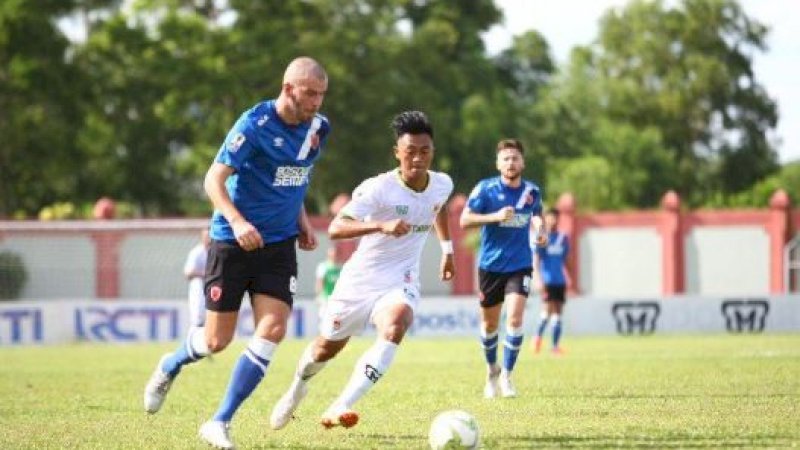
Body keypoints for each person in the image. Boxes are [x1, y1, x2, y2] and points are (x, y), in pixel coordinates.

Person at [142, 56, 330, 449]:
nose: (316, 102)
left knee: (274, 329)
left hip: (278, 246)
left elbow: (292, 180)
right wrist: (239, 221)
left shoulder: (318, 129)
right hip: (232, 242)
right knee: (216, 342)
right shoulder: (254, 124)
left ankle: (219, 421)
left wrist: (303, 223)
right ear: (288, 89)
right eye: (310, 93)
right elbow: (213, 179)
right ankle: (170, 364)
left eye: (321, 95)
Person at [269, 110, 454, 431]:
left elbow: (439, 208)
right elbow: (338, 227)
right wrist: (382, 225)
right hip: (360, 281)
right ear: (397, 153)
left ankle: (342, 403)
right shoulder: (378, 188)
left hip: (401, 278)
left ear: (432, 152)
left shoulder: (443, 184)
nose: (417, 159)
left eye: (425, 151)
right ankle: (296, 390)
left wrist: (447, 250)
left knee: (396, 325)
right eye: (410, 152)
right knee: (325, 349)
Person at [459, 139, 546, 399]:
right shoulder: (485, 190)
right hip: (490, 267)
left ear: (523, 162)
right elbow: (464, 220)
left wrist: (540, 229)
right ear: (498, 163)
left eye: (515, 158)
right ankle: (491, 371)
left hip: (520, 265)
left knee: (516, 318)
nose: (511, 162)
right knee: (489, 326)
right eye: (506, 158)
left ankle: (507, 376)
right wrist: (494, 217)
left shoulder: (532, 191)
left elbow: (537, 214)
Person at [532, 208, 571, 354]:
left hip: (559, 281)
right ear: (545, 219)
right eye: (550, 218)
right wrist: (538, 279)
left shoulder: (563, 238)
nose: (552, 220)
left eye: (555, 217)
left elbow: (566, 260)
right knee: (546, 312)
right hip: (547, 281)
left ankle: (554, 347)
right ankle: (537, 339)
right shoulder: (543, 238)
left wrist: (569, 277)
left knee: (558, 313)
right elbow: (536, 260)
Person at [184, 227, 211, 329]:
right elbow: (188, 272)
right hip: (199, 286)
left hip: (212, 286)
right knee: (198, 316)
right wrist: (206, 274)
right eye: (206, 236)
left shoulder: (215, 252)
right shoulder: (196, 252)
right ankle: (194, 336)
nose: (208, 238)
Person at [315, 247, 342, 320]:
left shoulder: (339, 268)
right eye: (332, 254)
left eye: (335, 254)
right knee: (324, 320)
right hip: (325, 297)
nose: (334, 256)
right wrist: (319, 295)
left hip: (336, 298)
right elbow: (320, 282)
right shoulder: (323, 267)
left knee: (335, 321)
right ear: (328, 255)